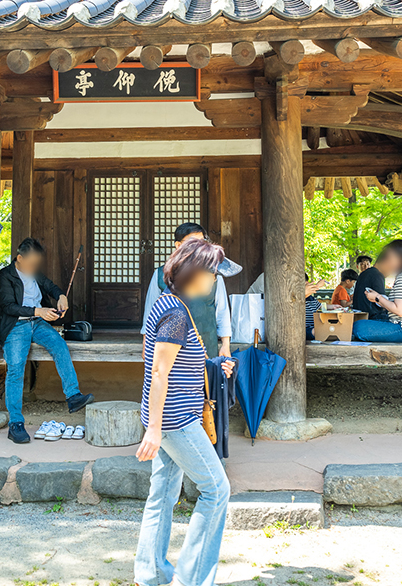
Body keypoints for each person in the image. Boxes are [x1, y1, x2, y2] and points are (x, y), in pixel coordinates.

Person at [135, 238, 233, 586]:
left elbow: (170, 365)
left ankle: (150, 574)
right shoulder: (176, 313)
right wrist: (156, 430)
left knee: (162, 494)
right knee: (217, 490)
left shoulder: (170, 304)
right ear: (198, 274)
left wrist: (211, 366)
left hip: (167, 417)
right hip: (175, 421)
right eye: (214, 273)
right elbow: (159, 372)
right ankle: (190, 579)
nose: (216, 279)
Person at [0, 237, 94, 445]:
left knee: (59, 345)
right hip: (16, 325)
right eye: (31, 263)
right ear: (19, 258)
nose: (34, 267)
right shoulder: (4, 277)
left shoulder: (35, 274)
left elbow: (51, 287)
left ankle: (73, 396)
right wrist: (38, 311)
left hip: (37, 323)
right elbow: (8, 307)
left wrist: (60, 296)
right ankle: (15, 423)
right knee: (15, 369)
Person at [141, 223, 236, 359]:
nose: (198, 246)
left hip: (206, 342)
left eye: (201, 242)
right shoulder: (160, 274)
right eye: (192, 243)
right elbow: (150, 311)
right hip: (168, 344)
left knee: (205, 379)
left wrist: (226, 345)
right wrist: (146, 341)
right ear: (178, 245)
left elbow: (222, 311)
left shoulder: (214, 273)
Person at [352, 239, 402, 343]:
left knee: (359, 326)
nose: (387, 261)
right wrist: (378, 298)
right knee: (369, 322)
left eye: (390, 258)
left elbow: (400, 311)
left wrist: (377, 297)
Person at [305, 274, 326, 340]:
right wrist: (318, 286)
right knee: (319, 331)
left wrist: (335, 306)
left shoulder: (310, 298)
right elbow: (299, 297)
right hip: (302, 330)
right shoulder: (294, 296)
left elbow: (320, 306)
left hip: (313, 326)